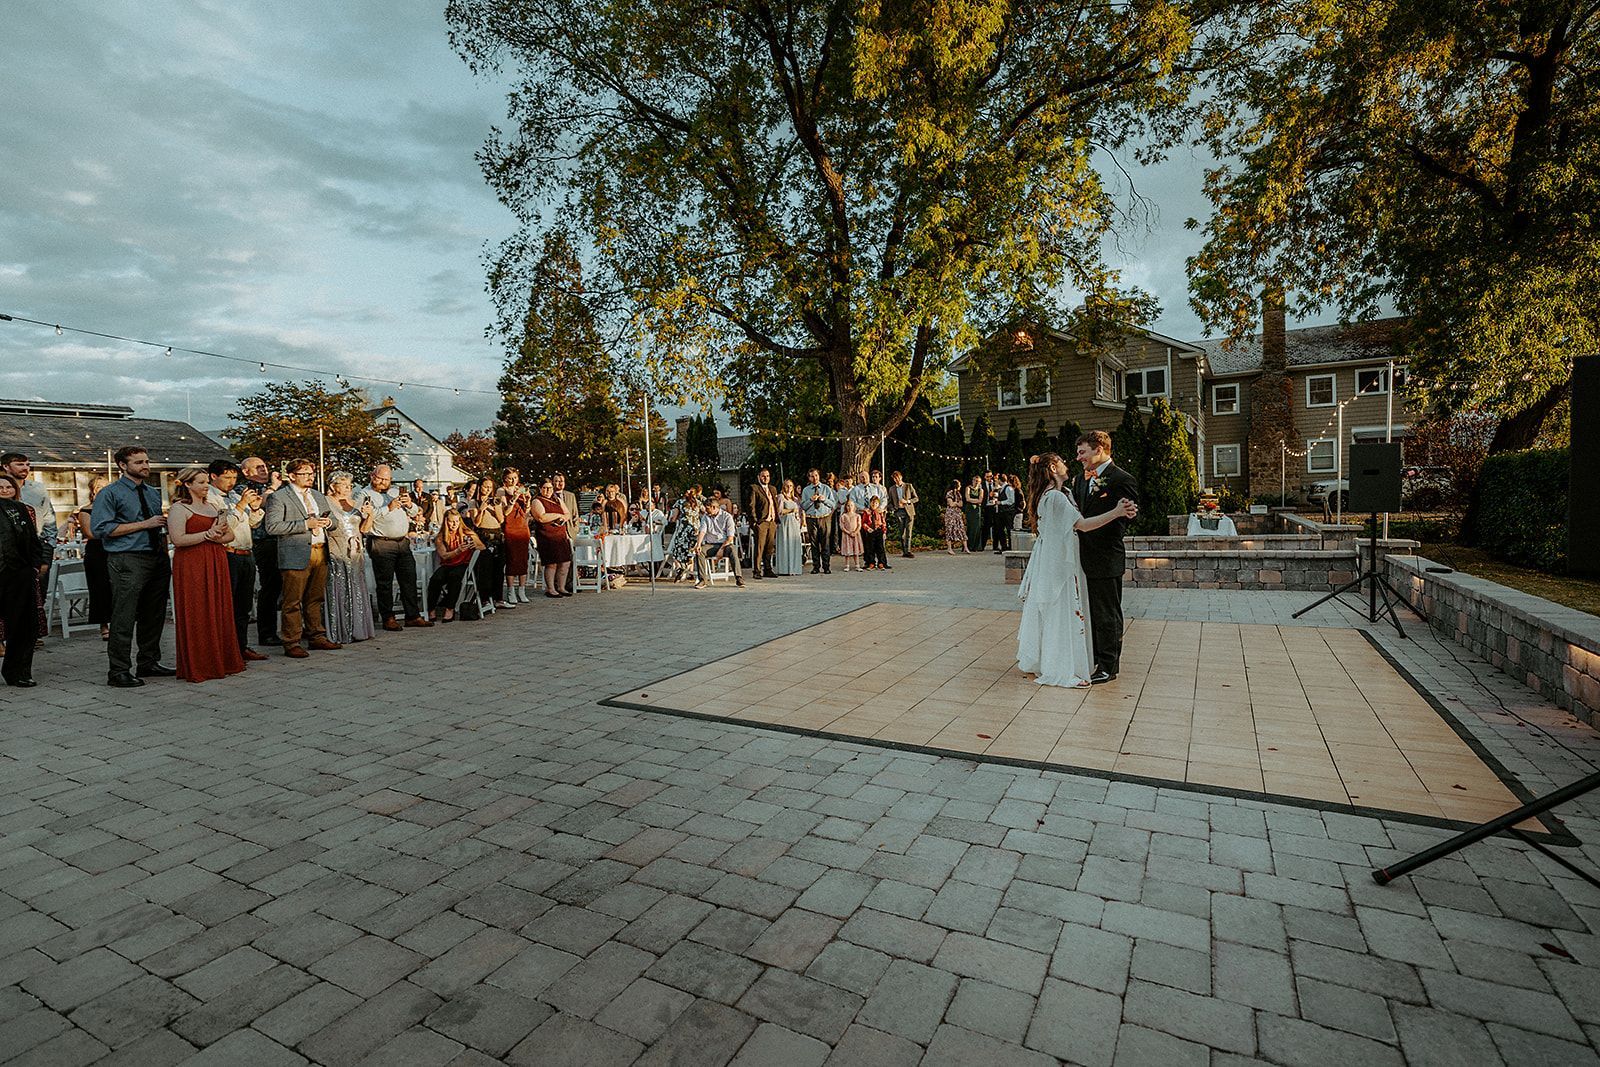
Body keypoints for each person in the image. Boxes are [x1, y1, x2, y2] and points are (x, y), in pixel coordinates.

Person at [1017, 452, 1138, 688]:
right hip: (1060, 560)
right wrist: (1116, 512)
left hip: (1051, 558)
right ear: (1053, 467)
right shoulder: (1056, 498)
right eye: (1061, 461)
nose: (1068, 463)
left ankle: (1049, 658)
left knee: (1054, 611)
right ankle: (1060, 668)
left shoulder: (1054, 495)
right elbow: (1082, 525)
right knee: (1062, 611)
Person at [90, 446, 174, 687]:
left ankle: (148, 662)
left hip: (156, 555)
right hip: (127, 557)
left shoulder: (151, 492)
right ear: (123, 466)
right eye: (138, 462)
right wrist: (144, 524)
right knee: (124, 614)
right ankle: (118, 670)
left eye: (147, 461)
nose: (145, 466)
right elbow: (102, 529)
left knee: (154, 613)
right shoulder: (110, 493)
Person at [166, 467, 246, 684]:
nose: (205, 486)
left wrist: (217, 536)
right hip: (192, 563)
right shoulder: (179, 509)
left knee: (219, 607)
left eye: (205, 482)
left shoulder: (212, 506)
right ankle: (200, 663)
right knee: (198, 608)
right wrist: (206, 535)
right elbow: (178, 539)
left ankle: (222, 659)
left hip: (215, 558)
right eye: (200, 482)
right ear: (188, 484)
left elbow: (229, 534)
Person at [1072, 431, 1140, 683]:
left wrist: (1129, 513)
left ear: (1098, 449)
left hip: (1105, 556)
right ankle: (1094, 658)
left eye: (1082, 452)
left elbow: (1131, 516)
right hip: (1081, 557)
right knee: (1089, 612)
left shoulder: (1122, 479)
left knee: (1107, 613)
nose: (1078, 457)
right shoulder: (1080, 480)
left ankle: (1108, 667)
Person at [264, 458, 341, 658]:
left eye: (311, 474)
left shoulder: (317, 495)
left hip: (320, 549)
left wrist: (327, 522)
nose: (310, 477)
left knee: (315, 597)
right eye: (304, 474)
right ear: (291, 476)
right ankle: (291, 641)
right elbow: (272, 527)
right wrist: (305, 524)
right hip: (295, 552)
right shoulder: (279, 497)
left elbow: (334, 521)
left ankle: (317, 636)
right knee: (292, 600)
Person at [206, 460, 268, 662]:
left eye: (234, 478)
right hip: (228, 553)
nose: (232, 482)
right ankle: (225, 649)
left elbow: (251, 523)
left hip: (246, 552)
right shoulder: (209, 498)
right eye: (227, 478)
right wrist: (241, 506)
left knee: (243, 605)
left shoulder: (233, 495)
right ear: (214, 476)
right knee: (227, 604)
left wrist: (256, 508)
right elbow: (224, 527)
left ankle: (241, 646)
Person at [357, 466, 430, 632]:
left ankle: (412, 616)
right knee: (385, 582)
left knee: (409, 578)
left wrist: (410, 504)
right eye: (380, 479)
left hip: (402, 541)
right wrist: (388, 508)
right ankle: (388, 617)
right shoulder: (364, 494)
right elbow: (364, 517)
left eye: (387, 479)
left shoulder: (395, 491)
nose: (384, 483)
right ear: (372, 476)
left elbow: (413, 512)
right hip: (382, 542)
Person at [0, 474, 46, 686]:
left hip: (19, 573)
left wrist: (34, 566)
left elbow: (34, 540)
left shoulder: (21, 509)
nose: (4, 489)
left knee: (23, 625)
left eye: (8, 486)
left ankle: (18, 671)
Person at [324, 472, 377, 645]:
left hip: (356, 551)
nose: (349, 488)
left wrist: (369, 516)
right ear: (333, 486)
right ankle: (340, 629)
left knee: (356, 585)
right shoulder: (326, 501)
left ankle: (359, 628)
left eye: (350, 485)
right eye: (344, 484)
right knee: (339, 585)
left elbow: (364, 530)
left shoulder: (354, 503)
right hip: (337, 550)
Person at [240, 456, 282, 647]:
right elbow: (260, 504)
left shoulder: (277, 487)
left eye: (264, 466)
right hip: (262, 541)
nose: (263, 469)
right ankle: (266, 633)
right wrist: (272, 488)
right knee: (270, 587)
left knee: (282, 587)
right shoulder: (244, 489)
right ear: (246, 472)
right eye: (257, 467)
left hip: (282, 540)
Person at [429, 509, 486, 619]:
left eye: (457, 521)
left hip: (463, 563)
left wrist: (473, 545)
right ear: (446, 521)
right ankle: (431, 609)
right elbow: (444, 555)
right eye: (451, 521)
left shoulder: (467, 533)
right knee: (435, 579)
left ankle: (450, 608)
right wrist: (457, 551)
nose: (454, 524)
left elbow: (482, 547)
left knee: (454, 577)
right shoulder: (441, 537)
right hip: (448, 563)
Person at [75, 476, 113, 640]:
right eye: (100, 487)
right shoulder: (86, 510)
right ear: (93, 490)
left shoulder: (114, 509)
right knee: (99, 588)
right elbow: (90, 533)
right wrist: (116, 530)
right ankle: (103, 624)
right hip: (97, 552)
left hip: (115, 550)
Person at [467, 477, 512, 611]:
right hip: (483, 535)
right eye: (485, 486)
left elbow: (501, 519)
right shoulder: (474, 502)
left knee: (499, 568)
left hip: (497, 534)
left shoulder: (495, 502)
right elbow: (476, 523)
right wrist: (481, 509)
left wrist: (496, 507)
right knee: (485, 569)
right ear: (480, 487)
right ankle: (485, 599)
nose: (487, 489)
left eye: (489, 487)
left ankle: (499, 598)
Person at [530, 479, 573, 598]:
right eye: (545, 488)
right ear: (540, 488)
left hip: (560, 535)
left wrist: (563, 518)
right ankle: (551, 589)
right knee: (551, 563)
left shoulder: (557, 499)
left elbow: (567, 514)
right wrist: (558, 515)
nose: (548, 490)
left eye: (550, 488)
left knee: (565, 562)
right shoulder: (537, 501)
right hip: (547, 535)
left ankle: (561, 587)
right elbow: (541, 517)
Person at [499, 468, 533, 603]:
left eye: (515, 478)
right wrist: (513, 499)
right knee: (512, 559)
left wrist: (528, 500)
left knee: (523, 559)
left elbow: (526, 511)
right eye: (510, 478)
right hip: (510, 527)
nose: (513, 480)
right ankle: (511, 590)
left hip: (522, 526)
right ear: (504, 479)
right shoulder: (501, 491)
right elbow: (505, 512)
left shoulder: (521, 489)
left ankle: (522, 590)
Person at [694, 496, 743, 589]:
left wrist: (721, 549)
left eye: (708, 509)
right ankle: (702, 580)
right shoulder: (706, 517)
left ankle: (739, 577)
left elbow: (730, 537)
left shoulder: (727, 517)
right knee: (700, 552)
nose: (706, 511)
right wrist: (698, 544)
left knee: (732, 550)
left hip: (725, 544)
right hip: (711, 544)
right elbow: (702, 531)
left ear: (714, 507)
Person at [663, 488, 703, 582]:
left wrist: (669, 520)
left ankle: (679, 568)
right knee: (691, 551)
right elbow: (705, 512)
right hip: (695, 530)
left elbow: (674, 518)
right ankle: (689, 569)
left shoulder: (680, 502)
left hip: (683, 529)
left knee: (676, 550)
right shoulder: (698, 502)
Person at [800, 470, 836, 575]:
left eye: (816, 475)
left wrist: (824, 500)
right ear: (809, 478)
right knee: (814, 543)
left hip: (824, 517)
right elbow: (803, 506)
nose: (814, 478)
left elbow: (833, 504)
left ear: (819, 476)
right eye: (812, 476)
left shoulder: (826, 488)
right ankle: (816, 566)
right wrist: (811, 500)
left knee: (825, 543)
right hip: (811, 518)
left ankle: (826, 566)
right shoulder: (806, 490)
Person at [748, 469, 780, 579]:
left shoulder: (773, 489)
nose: (765, 478)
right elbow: (751, 506)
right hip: (761, 522)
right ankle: (756, 570)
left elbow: (774, 504)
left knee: (770, 547)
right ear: (758, 477)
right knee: (760, 547)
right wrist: (755, 521)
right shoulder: (754, 488)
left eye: (767, 476)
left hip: (772, 521)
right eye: (763, 476)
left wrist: (776, 519)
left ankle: (768, 569)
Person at [553, 473, 580, 594]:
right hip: (555, 532)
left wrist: (575, 530)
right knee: (556, 560)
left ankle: (569, 584)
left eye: (561, 481)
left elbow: (575, 515)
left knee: (570, 558)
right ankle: (555, 585)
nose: (559, 483)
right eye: (556, 481)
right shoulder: (548, 495)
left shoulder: (570, 496)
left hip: (568, 532)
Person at [774, 479, 803, 576]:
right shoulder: (781, 497)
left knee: (794, 544)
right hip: (785, 523)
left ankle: (795, 568)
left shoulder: (795, 499)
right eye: (787, 486)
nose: (789, 488)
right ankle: (785, 568)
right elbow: (779, 511)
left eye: (791, 486)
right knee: (786, 543)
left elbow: (798, 512)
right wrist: (791, 510)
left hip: (794, 523)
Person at [888, 471, 918, 559]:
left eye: (897, 477)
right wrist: (893, 509)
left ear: (901, 477)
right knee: (902, 533)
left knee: (909, 531)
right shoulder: (892, 489)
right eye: (894, 478)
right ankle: (904, 551)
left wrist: (907, 501)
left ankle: (908, 551)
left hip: (909, 511)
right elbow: (889, 502)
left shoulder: (908, 486)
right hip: (899, 512)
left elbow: (916, 498)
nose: (896, 479)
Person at [860, 497, 888, 570]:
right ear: (870, 503)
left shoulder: (880, 512)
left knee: (880, 548)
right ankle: (871, 563)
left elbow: (883, 523)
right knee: (870, 548)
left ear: (878, 504)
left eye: (876, 503)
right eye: (872, 502)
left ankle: (881, 563)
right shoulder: (867, 512)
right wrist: (867, 528)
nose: (874, 504)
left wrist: (884, 531)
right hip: (870, 531)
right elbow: (863, 522)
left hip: (878, 531)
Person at [836, 499, 863, 572]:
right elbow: (842, 526)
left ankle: (857, 565)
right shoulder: (843, 516)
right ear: (845, 507)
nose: (850, 507)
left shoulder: (857, 515)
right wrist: (848, 532)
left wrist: (855, 532)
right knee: (847, 552)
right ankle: (847, 565)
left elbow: (859, 525)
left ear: (854, 507)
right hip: (847, 535)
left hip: (855, 535)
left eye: (851, 505)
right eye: (848, 505)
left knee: (856, 551)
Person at [942, 480, 969, 554]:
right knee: (950, 529)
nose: (960, 486)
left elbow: (961, 504)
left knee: (961, 529)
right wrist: (957, 503)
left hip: (957, 514)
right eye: (959, 485)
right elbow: (951, 504)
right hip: (950, 514)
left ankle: (966, 548)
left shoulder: (958, 494)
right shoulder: (949, 493)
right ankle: (949, 548)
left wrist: (956, 503)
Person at [964, 475, 984, 552]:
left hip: (977, 511)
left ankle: (976, 546)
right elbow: (967, 498)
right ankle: (969, 546)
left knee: (977, 528)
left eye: (978, 481)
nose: (976, 482)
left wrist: (972, 500)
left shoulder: (981, 490)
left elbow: (980, 501)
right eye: (975, 481)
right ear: (972, 481)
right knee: (970, 527)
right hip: (969, 510)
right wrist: (976, 500)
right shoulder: (968, 488)